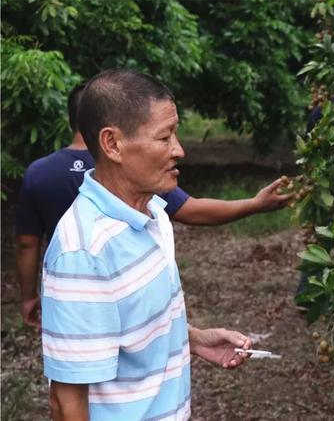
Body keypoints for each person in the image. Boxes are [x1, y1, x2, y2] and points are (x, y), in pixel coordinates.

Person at [42, 69, 260, 420]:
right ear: (112, 144)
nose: (179, 150)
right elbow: (66, 403)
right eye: (164, 138)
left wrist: (195, 339)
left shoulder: (154, 213)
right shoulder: (83, 252)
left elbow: (129, 325)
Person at [16, 84, 293, 329]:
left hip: (71, 298)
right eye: (164, 137)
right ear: (110, 136)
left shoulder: (40, 173)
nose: (178, 150)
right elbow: (193, 210)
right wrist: (254, 205)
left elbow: (28, 243)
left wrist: (29, 294)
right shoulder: (133, 172)